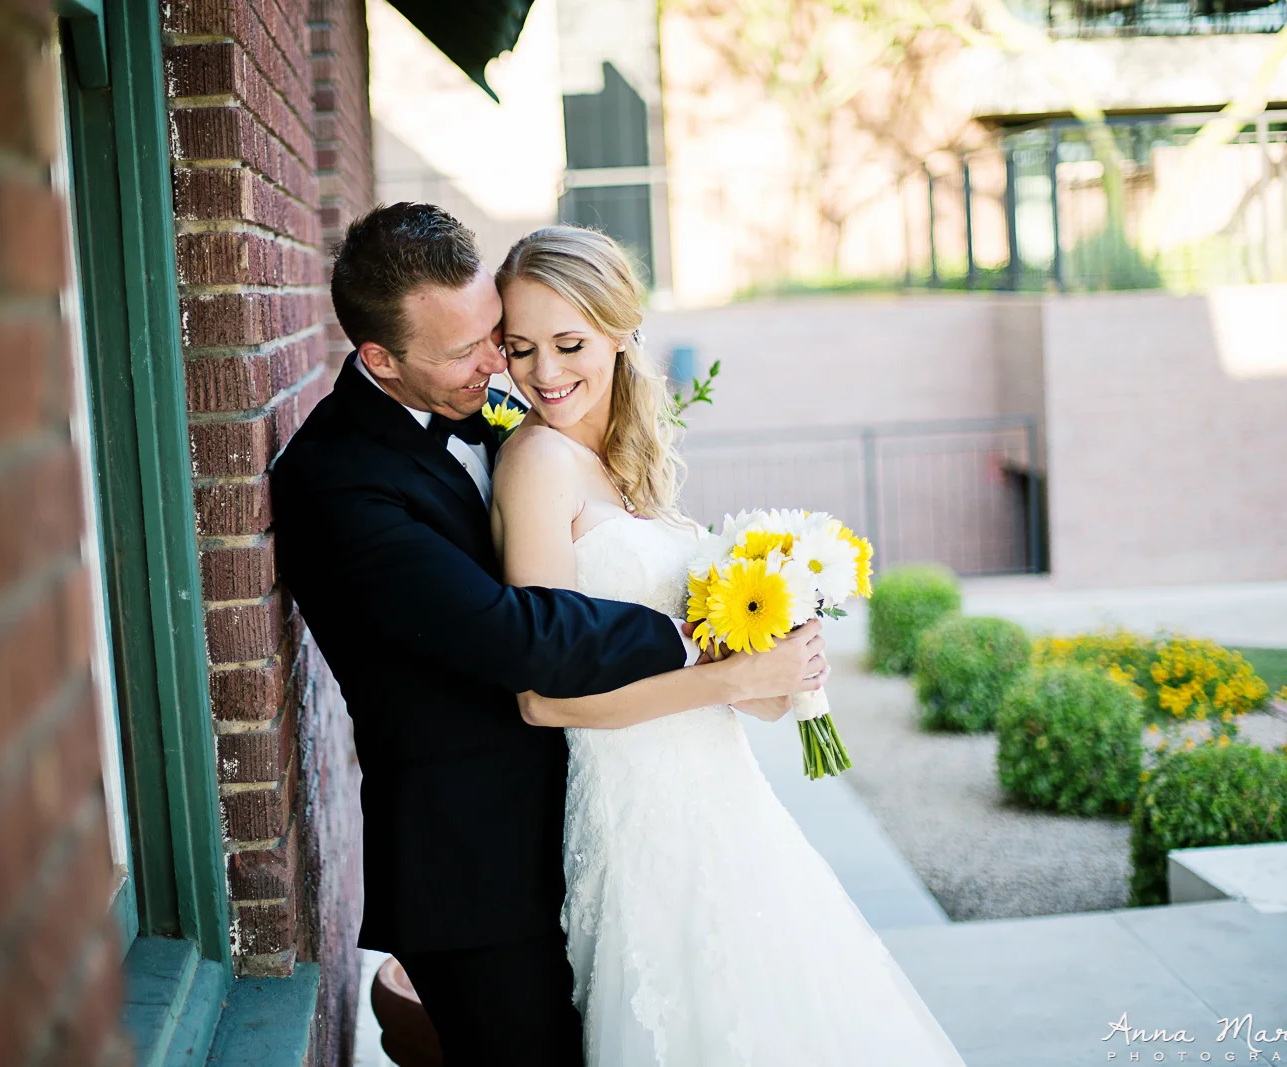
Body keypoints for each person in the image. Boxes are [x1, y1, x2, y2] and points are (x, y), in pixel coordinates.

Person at [269, 203, 826, 1066]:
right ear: (379, 358)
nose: (502, 365)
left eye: (498, 334)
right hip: (471, 874)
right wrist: (695, 639)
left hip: (582, 835)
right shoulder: (335, 483)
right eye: (471, 351)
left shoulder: (481, 408)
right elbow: (508, 632)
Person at [490, 224, 971, 1066]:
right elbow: (544, 696)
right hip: (639, 818)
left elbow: (696, 662)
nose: (543, 372)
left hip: (724, 801)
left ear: (619, 332)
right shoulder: (536, 462)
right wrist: (732, 679)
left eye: (568, 343)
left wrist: (772, 667)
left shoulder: (625, 463)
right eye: (520, 348)